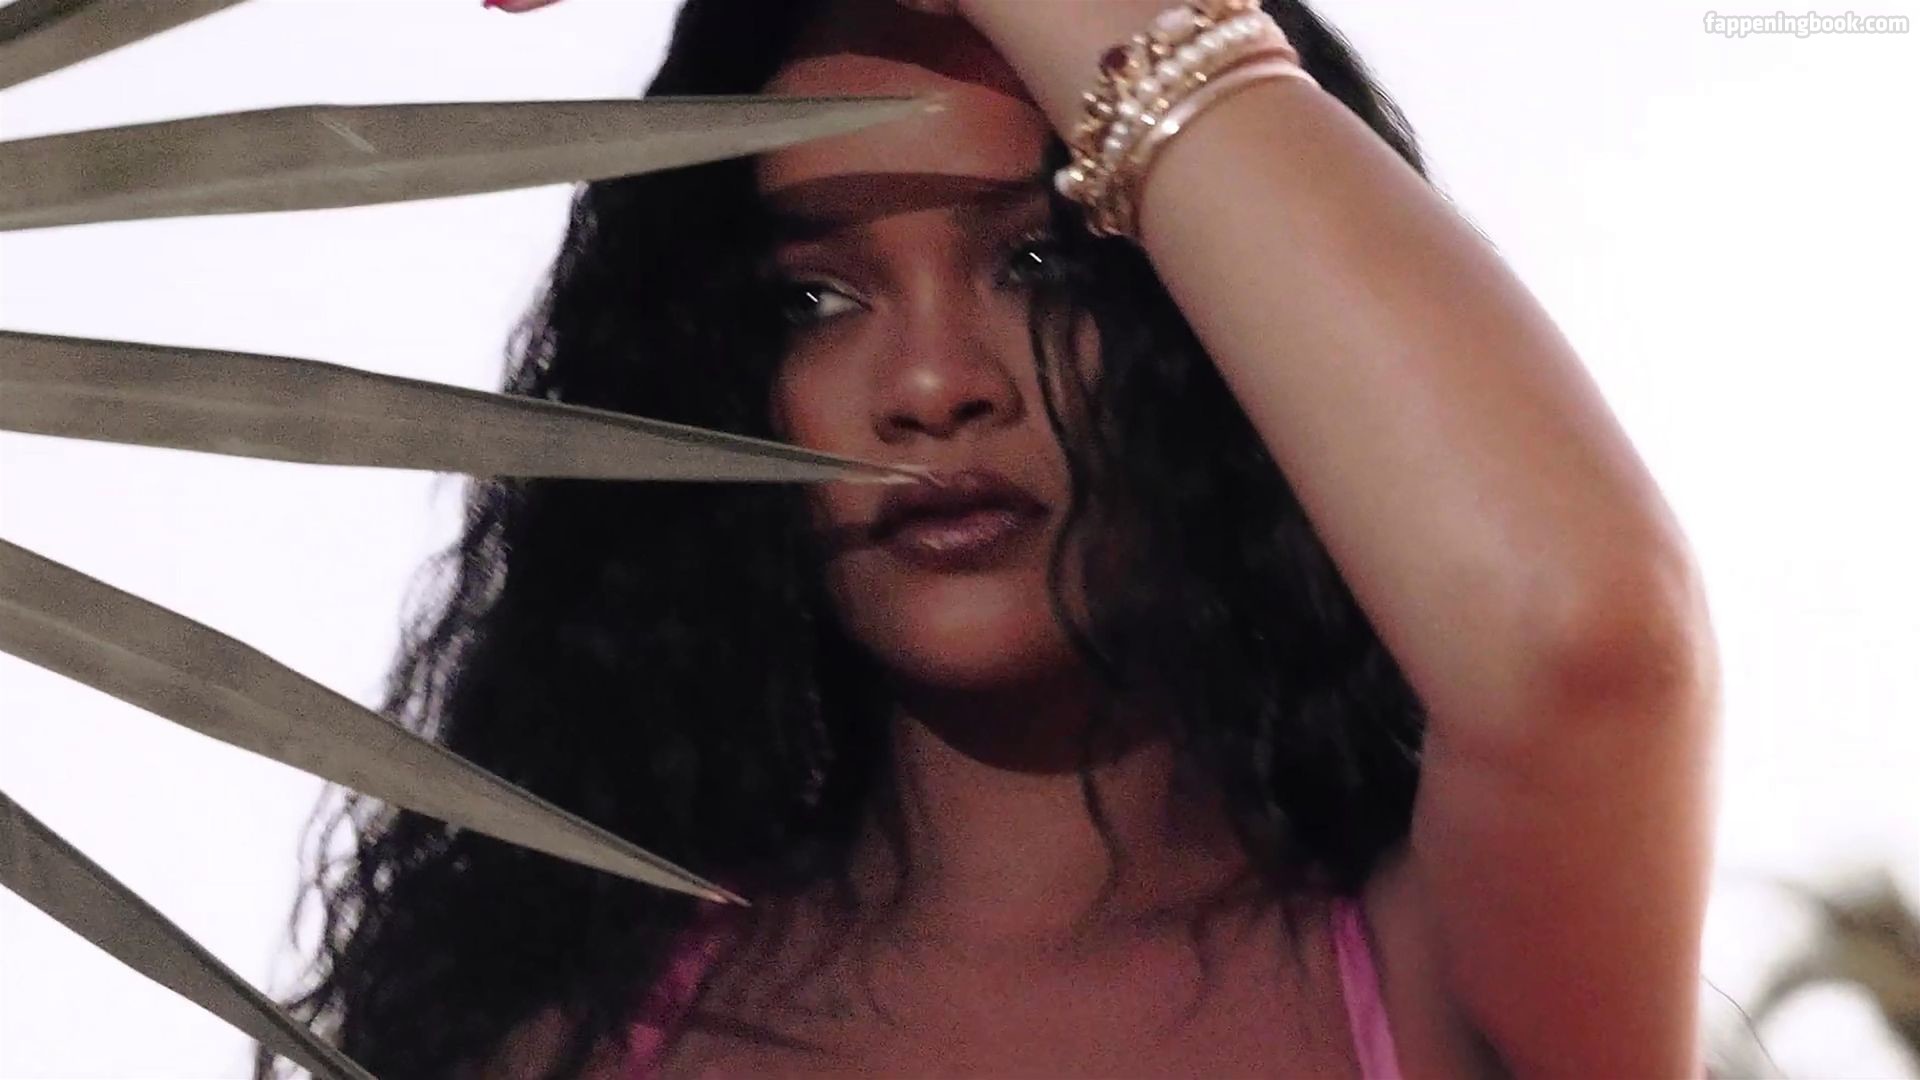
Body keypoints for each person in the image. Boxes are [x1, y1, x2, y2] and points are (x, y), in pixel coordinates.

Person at [264, 0, 1722, 1076]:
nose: (930, 383)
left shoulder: (1445, 983)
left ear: (1226, 317)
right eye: (813, 299)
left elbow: (1580, 642)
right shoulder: (553, 1040)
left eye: (1038, 263)